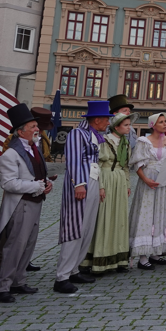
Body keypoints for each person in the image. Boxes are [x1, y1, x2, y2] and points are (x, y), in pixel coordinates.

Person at [0, 104, 51, 303]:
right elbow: (8, 183)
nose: (37, 129)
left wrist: (46, 183)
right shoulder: (10, 154)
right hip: (20, 205)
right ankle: (2, 288)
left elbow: (38, 175)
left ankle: (18, 281)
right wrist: (36, 186)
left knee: (28, 245)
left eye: (36, 125)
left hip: (34, 203)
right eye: (33, 126)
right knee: (14, 247)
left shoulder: (35, 149)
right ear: (20, 131)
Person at [54, 100, 111, 294]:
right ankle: (62, 276)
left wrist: (99, 186)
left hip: (92, 181)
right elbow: (74, 160)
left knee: (87, 227)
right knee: (75, 227)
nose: (108, 123)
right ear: (96, 120)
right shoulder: (77, 134)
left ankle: (74, 269)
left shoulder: (93, 135)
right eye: (106, 119)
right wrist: (79, 183)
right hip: (82, 182)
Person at [82, 111, 135, 274]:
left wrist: (127, 184)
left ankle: (117, 259)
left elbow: (125, 166)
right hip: (106, 177)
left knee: (118, 218)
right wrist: (101, 186)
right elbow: (97, 164)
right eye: (125, 125)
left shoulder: (125, 143)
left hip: (119, 180)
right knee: (104, 218)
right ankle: (99, 259)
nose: (129, 127)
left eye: (129, 124)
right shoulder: (104, 141)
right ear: (116, 127)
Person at [127, 112, 166, 270]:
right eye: (161, 122)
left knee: (161, 214)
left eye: (165, 121)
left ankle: (155, 252)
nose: (164, 124)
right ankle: (143, 257)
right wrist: (145, 179)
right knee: (146, 214)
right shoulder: (144, 141)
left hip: (163, 181)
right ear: (153, 125)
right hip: (148, 180)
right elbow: (137, 164)